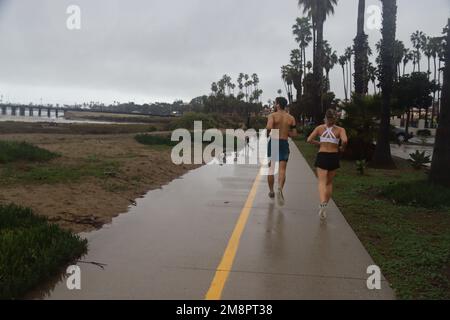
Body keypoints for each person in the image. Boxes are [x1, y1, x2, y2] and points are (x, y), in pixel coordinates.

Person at [307, 109, 348, 221]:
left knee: (321, 181)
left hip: (322, 155)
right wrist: (341, 148)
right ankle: (325, 204)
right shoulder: (340, 129)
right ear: (335, 119)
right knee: (329, 183)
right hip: (334, 156)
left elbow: (309, 139)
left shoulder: (320, 128)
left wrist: (319, 143)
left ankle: (322, 203)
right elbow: (345, 141)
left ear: (325, 118)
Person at [266, 97, 297, 206]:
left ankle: (271, 191)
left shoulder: (272, 115)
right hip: (284, 142)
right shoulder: (291, 118)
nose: (275, 105)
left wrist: (267, 133)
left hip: (274, 140)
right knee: (282, 169)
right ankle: (279, 188)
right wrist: (286, 132)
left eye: (275, 103)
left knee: (271, 168)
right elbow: (294, 134)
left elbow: (269, 126)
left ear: (278, 105)